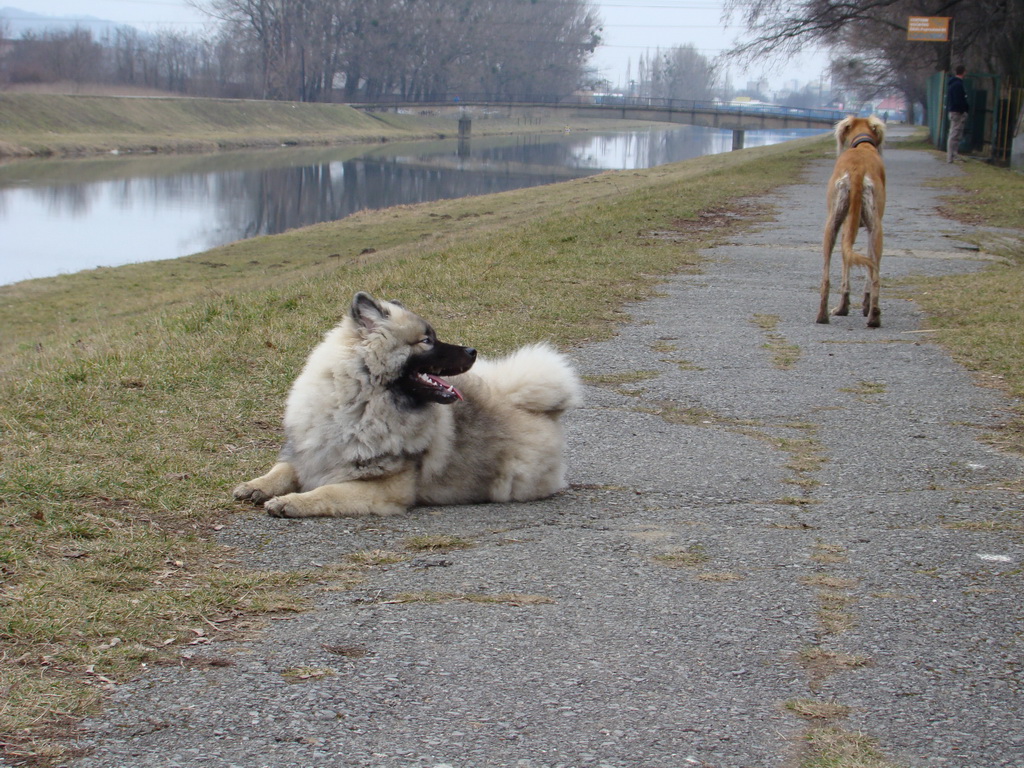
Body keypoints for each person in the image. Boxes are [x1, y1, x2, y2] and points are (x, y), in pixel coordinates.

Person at [946, 65, 969, 163]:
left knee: (956, 134)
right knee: (954, 134)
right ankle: (951, 156)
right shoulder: (958, 85)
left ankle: (953, 154)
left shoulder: (953, 84)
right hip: (957, 112)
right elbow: (958, 100)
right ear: (963, 72)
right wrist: (963, 109)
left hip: (954, 111)